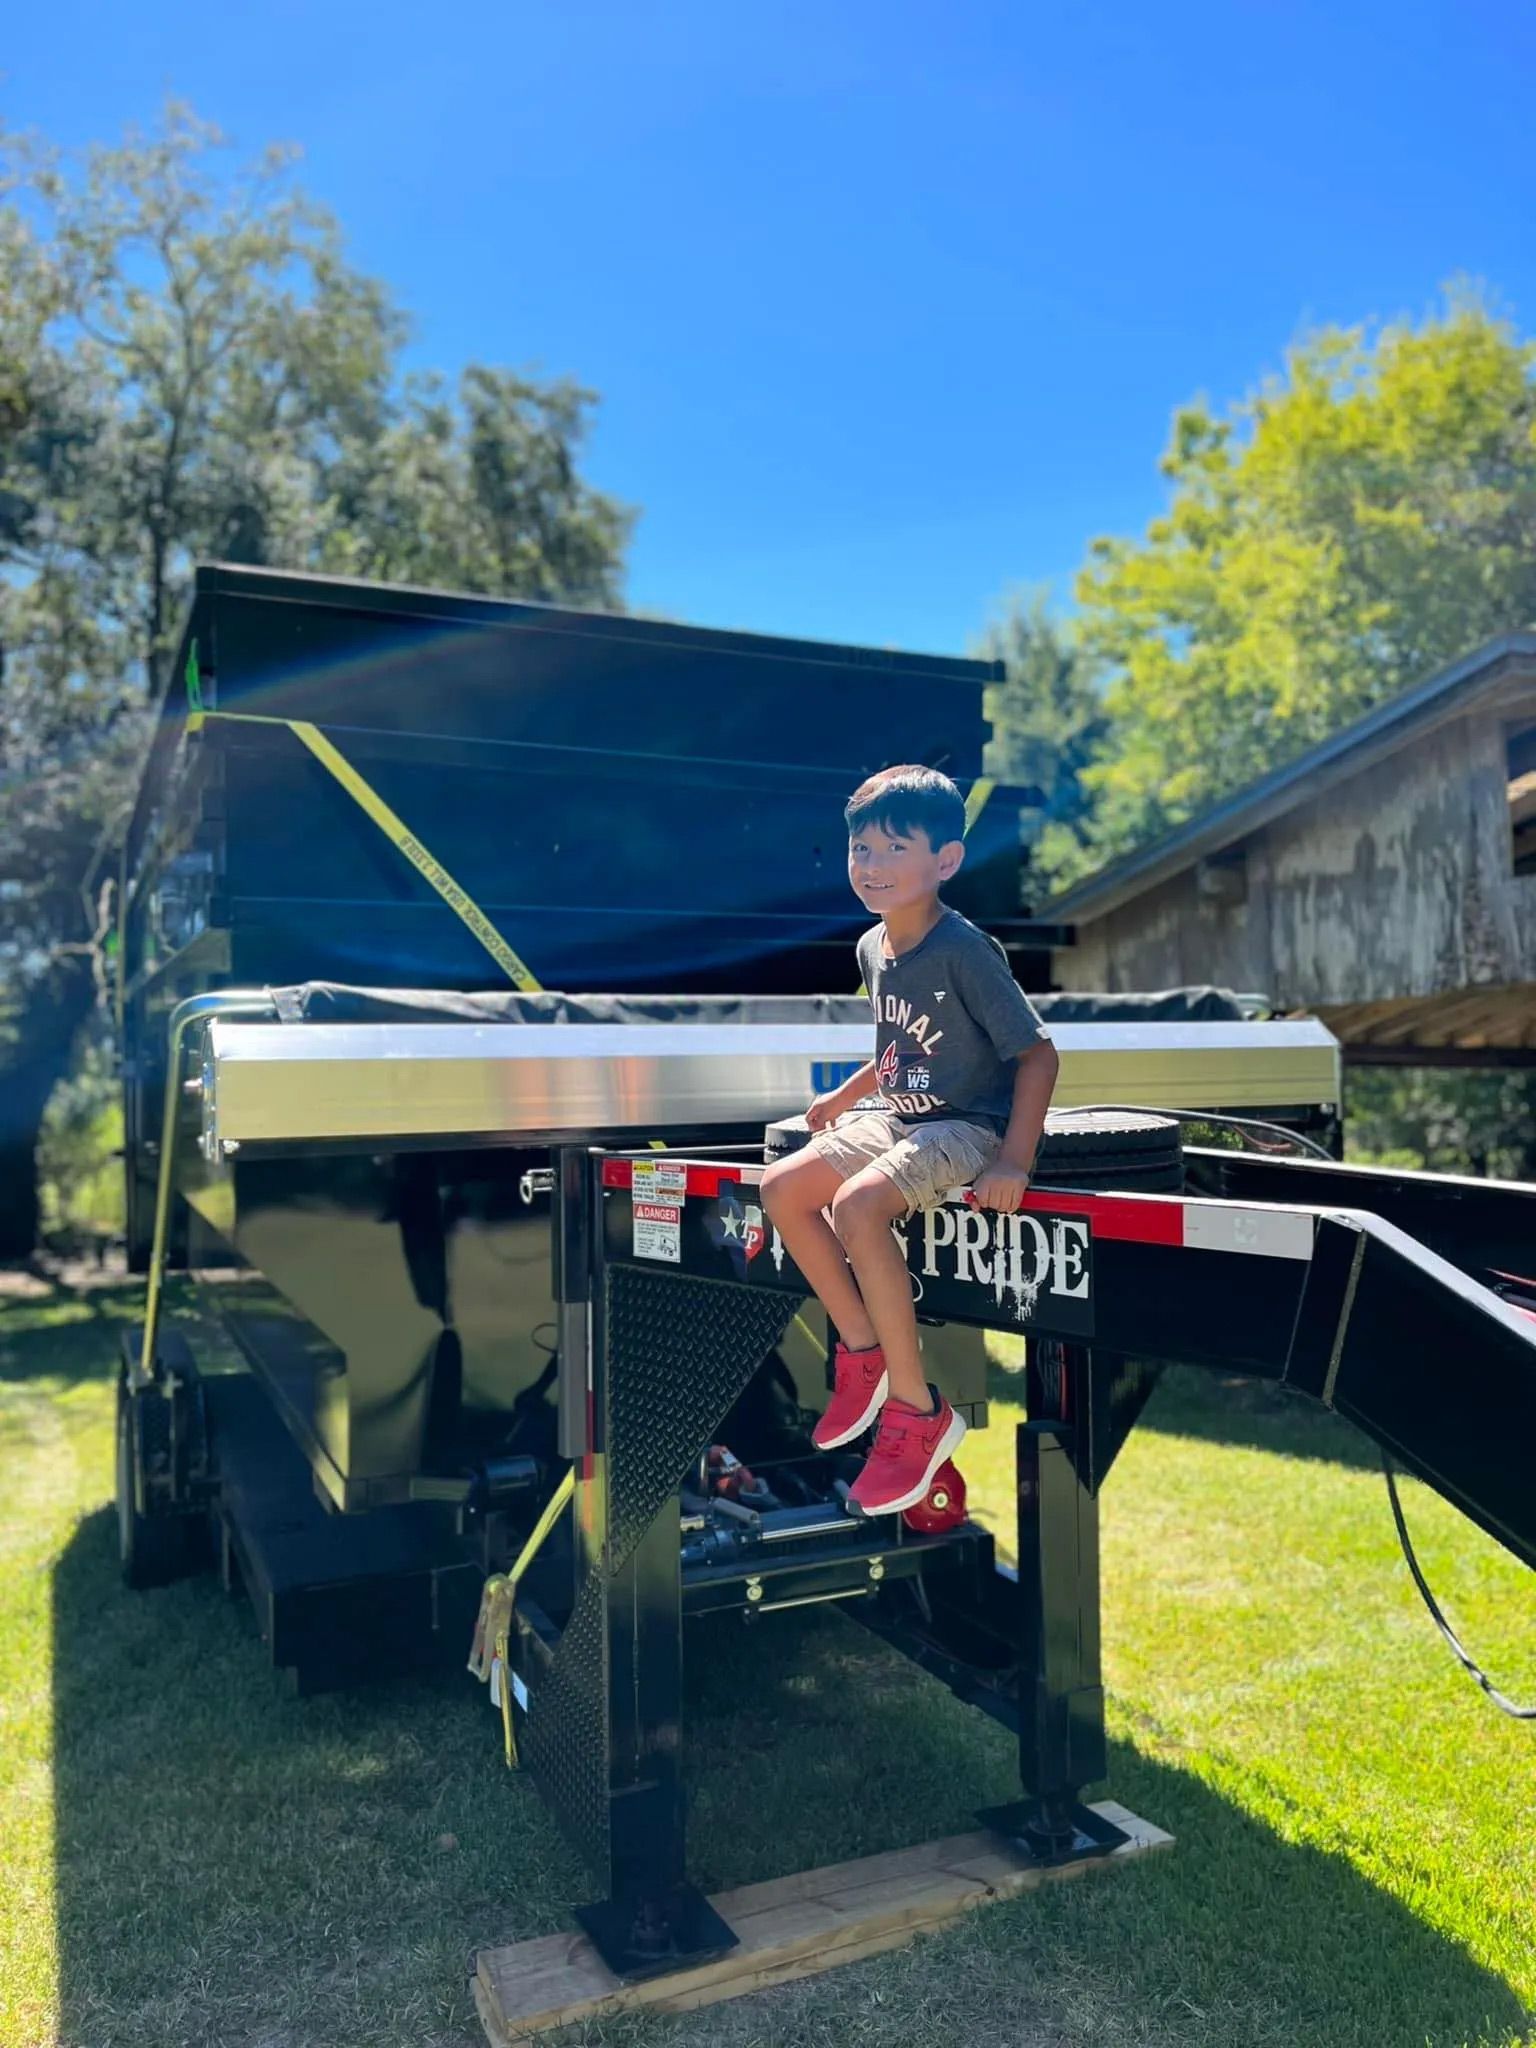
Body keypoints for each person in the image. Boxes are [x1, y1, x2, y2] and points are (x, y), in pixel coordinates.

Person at [760, 764, 1059, 1515]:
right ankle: (862, 1353)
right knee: (783, 1189)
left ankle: (917, 1409)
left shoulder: (963, 950)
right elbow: (901, 1049)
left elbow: (1037, 1054)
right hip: (900, 1113)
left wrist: (1014, 1158)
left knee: (858, 1207)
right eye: (861, 849)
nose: (872, 865)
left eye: (895, 848)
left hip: (966, 1125)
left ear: (945, 862)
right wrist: (845, 1096)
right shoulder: (872, 949)